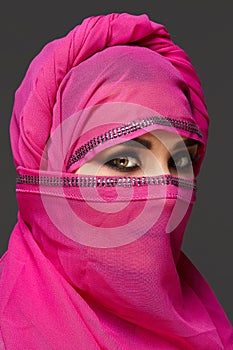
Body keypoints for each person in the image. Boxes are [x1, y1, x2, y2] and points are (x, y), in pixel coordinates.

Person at [0, 12, 232, 350]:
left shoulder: (206, 329)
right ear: (51, 172)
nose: (165, 192)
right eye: (123, 161)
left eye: (179, 161)